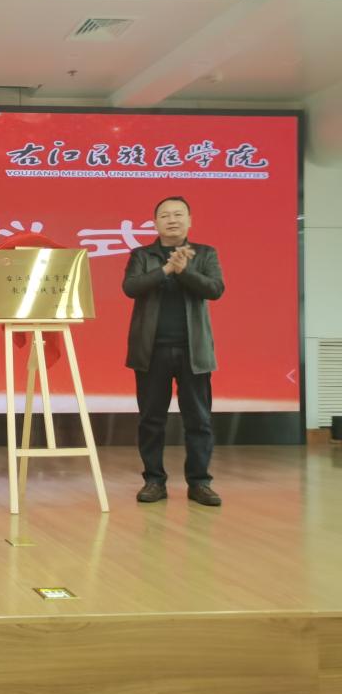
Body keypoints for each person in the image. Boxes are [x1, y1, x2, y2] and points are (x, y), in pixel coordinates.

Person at [123, 195, 225, 507]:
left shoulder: (205, 253)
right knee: (151, 420)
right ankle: (154, 481)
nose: (172, 220)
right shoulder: (142, 255)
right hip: (151, 351)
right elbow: (131, 287)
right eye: (165, 215)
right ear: (155, 223)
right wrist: (166, 269)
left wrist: (185, 271)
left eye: (178, 214)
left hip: (194, 352)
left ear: (189, 220)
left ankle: (200, 483)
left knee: (199, 420)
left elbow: (215, 289)